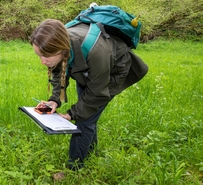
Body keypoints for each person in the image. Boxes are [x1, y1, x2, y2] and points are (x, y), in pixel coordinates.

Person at [29, 19, 148, 174]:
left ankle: (74, 168)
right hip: (84, 70)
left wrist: (71, 114)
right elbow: (59, 71)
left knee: (84, 118)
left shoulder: (96, 52)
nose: (42, 62)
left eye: (45, 56)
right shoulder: (60, 44)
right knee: (87, 114)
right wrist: (54, 100)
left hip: (112, 73)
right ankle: (90, 152)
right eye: (39, 56)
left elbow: (96, 93)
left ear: (62, 49)